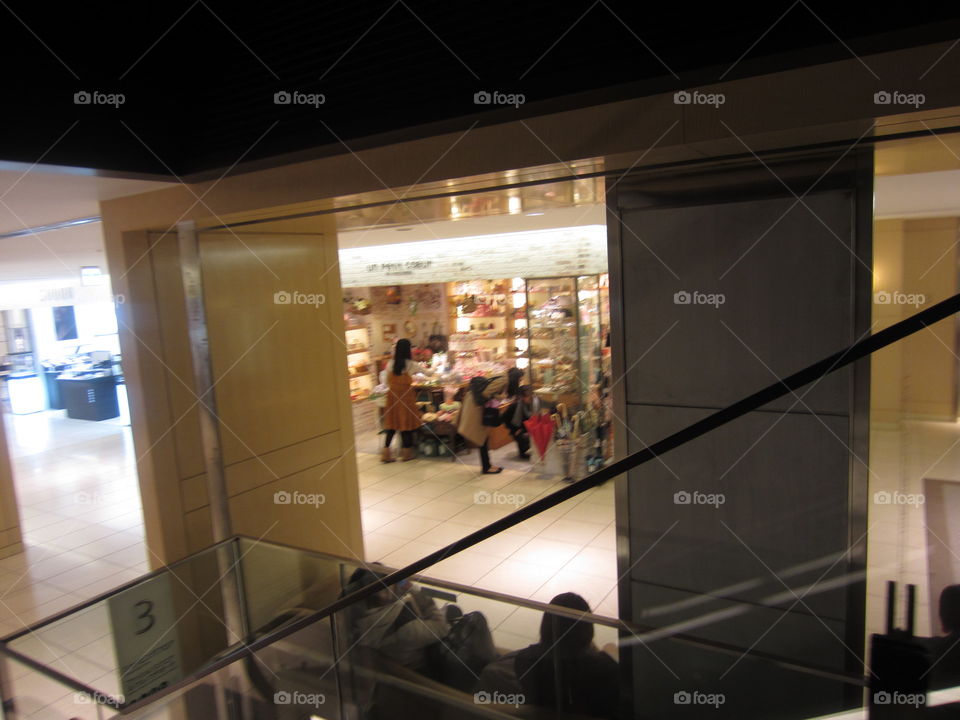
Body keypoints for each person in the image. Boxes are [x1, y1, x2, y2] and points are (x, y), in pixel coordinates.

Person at [476, 592, 619, 719]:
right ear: (588, 632)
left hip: (542, 700)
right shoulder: (605, 669)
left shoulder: (526, 659)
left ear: (546, 626)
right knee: (610, 647)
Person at [346, 565, 457, 676]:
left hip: (405, 656)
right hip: (429, 667)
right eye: (391, 582)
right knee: (454, 613)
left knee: (451, 611)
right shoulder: (405, 627)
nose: (397, 583)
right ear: (383, 595)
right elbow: (442, 628)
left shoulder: (362, 620)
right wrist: (414, 590)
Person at [380, 338, 421, 463]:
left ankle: (386, 454)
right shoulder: (411, 364)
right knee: (406, 424)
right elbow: (428, 372)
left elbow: (386, 381)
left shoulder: (390, 364)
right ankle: (406, 454)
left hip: (392, 398)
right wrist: (435, 367)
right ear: (408, 350)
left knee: (392, 425)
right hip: (406, 398)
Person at [458, 374, 508, 474]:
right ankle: (486, 467)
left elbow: (489, 396)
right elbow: (488, 394)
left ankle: (488, 465)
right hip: (476, 420)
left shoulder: (473, 393)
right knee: (483, 441)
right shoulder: (477, 395)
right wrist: (503, 394)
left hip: (475, 419)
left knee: (483, 441)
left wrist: (500, 396)